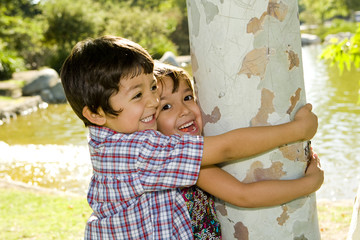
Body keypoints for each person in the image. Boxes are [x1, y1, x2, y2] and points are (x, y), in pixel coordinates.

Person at [60, 35, 322, 239]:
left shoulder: (108, 141)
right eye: (138, 95)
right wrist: (297, 133)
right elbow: (227, 150)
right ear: (95, 113)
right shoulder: (139, 151)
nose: (152, 100)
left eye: (152, 88)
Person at [154, 62, 323, 239]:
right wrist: (311, 182)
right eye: (166, 107)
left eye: (188, 97)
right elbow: (244, 194)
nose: (184, 110)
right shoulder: (177, 162)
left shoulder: (194, 159)